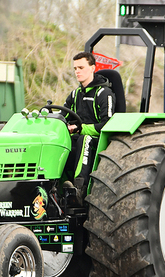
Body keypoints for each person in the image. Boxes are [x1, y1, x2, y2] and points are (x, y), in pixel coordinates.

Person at [62, 51, 115, 203]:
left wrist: (80, 129)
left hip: (99, 140)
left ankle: (79, 189)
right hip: (78, 136)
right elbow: (62, 117)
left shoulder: (104, 93)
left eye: (81, 67)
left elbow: (108, 125)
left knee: (84, 140)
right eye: (75, 68)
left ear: (92, 68)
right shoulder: (74, 95)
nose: (77, 71)